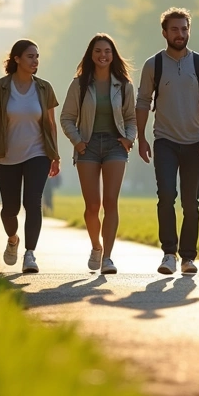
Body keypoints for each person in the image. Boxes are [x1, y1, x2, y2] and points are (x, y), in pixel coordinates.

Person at [136, 8, 199, 275]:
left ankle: (188, 257)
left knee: (190, 203)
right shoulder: (154, 65)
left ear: (189, 31)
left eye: (184, 29)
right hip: (165, 141)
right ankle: (168, 254)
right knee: (165, 197)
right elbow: (142, 102)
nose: (180, 34)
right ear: (164, 32)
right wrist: (141, 138)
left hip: (195, 141)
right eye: (174, 29)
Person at [60, 33, 138, 275]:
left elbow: (131, 118)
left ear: (113, 55)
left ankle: (108, 258)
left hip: (116, 146)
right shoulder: (80, 84)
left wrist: (129, 139)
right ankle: (96, 246)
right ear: (91, 55)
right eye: (98, 51)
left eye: (107, 51)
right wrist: (78, 142)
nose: (102, 55)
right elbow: (67, 118)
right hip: (88, 147)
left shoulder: (124, 85)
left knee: (110, 202)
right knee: (92, 205)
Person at [0, 39, 61, 273]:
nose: (35, 61)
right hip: (6, 155)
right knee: (9, 209)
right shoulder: (0, 87)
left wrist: (55, 155)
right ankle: (13, 239)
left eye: (37, 56)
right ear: (16, 59)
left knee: (33, 202)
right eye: (30, 56)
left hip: (38, 153)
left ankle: (30, 254)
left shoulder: (44, 88)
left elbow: (51, 124)